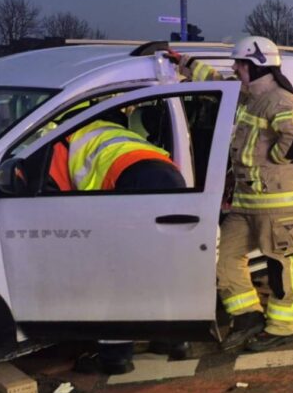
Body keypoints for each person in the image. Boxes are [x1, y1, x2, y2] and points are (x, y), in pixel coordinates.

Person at [166, 37, 293, 353]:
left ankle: (284, 327)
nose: (235, 68)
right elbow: (218, 82)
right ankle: (247, 318)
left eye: (240, 64)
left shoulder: (281, 100)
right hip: (247, 202)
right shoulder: (248, 95)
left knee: (283, 265)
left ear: (256, 65)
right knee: (224, 258)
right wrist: (185, 64)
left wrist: (273, 159)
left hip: (277, 203)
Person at [45, 105, 187, 374]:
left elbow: (58, 196)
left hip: (132, 183)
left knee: (117, 276)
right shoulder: (116, 133)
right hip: (171, 177)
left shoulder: (64, 138)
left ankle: (115, 357)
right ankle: (173, 340)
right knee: (159, 268)